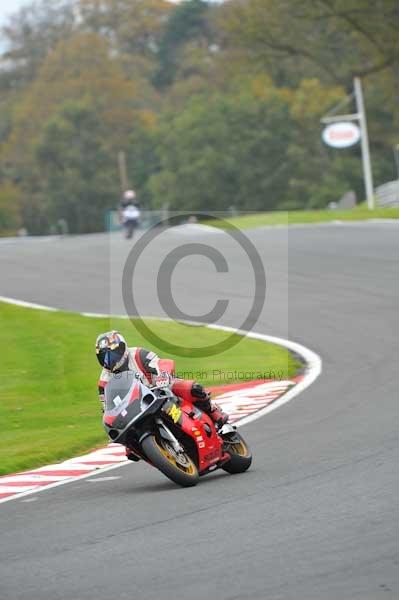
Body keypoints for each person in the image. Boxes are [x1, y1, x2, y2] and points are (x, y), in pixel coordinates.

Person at [95, 331, 229, 461]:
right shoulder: (104, 382)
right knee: (130, 444)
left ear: (122, 348)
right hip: (136, 408)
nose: (109, 360)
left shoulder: (138, 354)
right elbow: (108, 407)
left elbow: (161, 364)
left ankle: (213, 411)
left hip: (160, 389)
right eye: (104, 357)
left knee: (192, 388)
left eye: (112, 354)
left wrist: (162, 377)